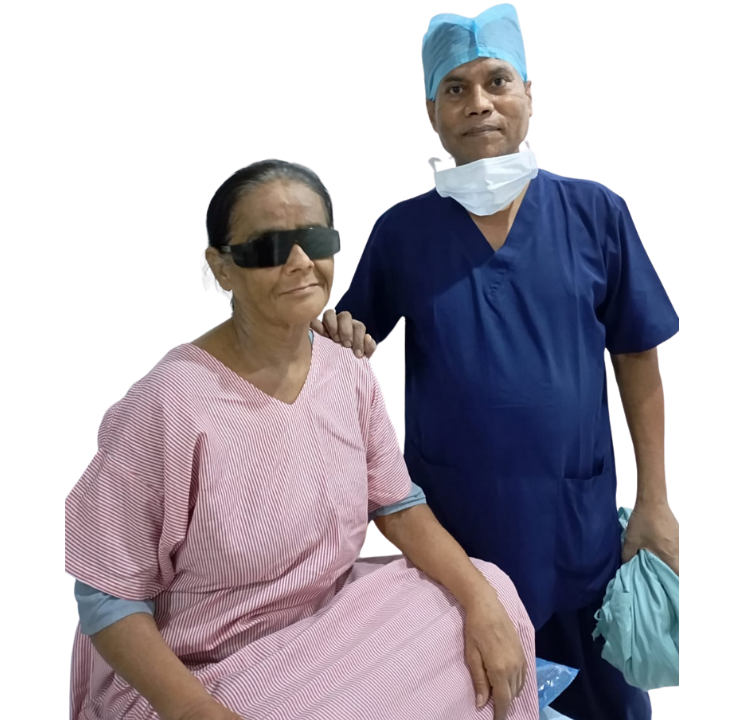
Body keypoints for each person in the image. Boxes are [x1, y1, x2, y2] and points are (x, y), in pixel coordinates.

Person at [65, 159, 541, 720]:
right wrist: (194, 709)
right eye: (268, 247)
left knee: (493, 592)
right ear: (221, 267)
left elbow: (398, 506)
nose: (299, 262)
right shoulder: (165, 406)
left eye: (314, 241)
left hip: (325, 616)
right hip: (200, 662)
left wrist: (480, 601)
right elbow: (108, 598)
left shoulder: (348, 369)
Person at [310, 5, 679, 720]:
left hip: (576, 526)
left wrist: (656, 503)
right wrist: (333, 335)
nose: (478, 103)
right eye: (455, 88)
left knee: (605, 702)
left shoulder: (595, 212)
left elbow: (637, 355)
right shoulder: (403, 232)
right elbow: (348, 350)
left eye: (496, 82)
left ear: (529, 95)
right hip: (459, 535)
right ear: (431, 112)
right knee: (482, 698)